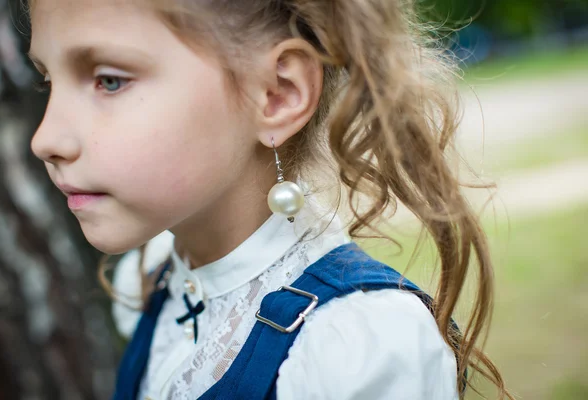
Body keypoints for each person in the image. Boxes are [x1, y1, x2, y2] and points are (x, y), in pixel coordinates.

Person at [26, 0, 511, 399]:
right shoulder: (155, 276)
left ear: (276, 94)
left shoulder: (355, 348)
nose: (45, 138)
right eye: (48, 80)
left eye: (109, 80)